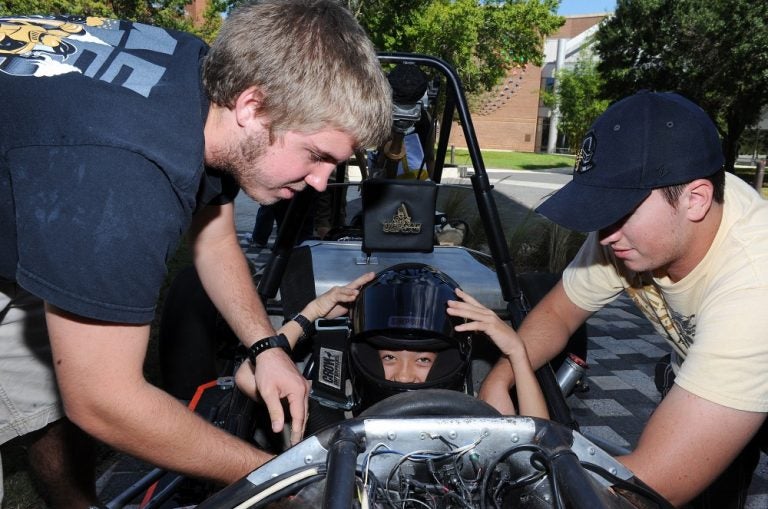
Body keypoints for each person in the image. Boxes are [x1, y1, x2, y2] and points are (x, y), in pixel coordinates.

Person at [0, 1, 392, 507]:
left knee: (56, 392)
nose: (321, 182)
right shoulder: (122, 179)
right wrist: (284, 482)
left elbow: (213, 232)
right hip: (76, 179)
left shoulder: (206, 77)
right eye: (317, 156)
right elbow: (105, 401)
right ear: (253, 107)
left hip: (47, 187)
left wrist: (265, 348)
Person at [478, 90, 768, 508]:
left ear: (696, 200)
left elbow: (648, 485)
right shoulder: (626, 233)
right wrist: (499, 377)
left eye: (620, 209)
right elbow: (559, 313)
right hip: (704, 363)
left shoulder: (752, 288)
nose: (606, 233)